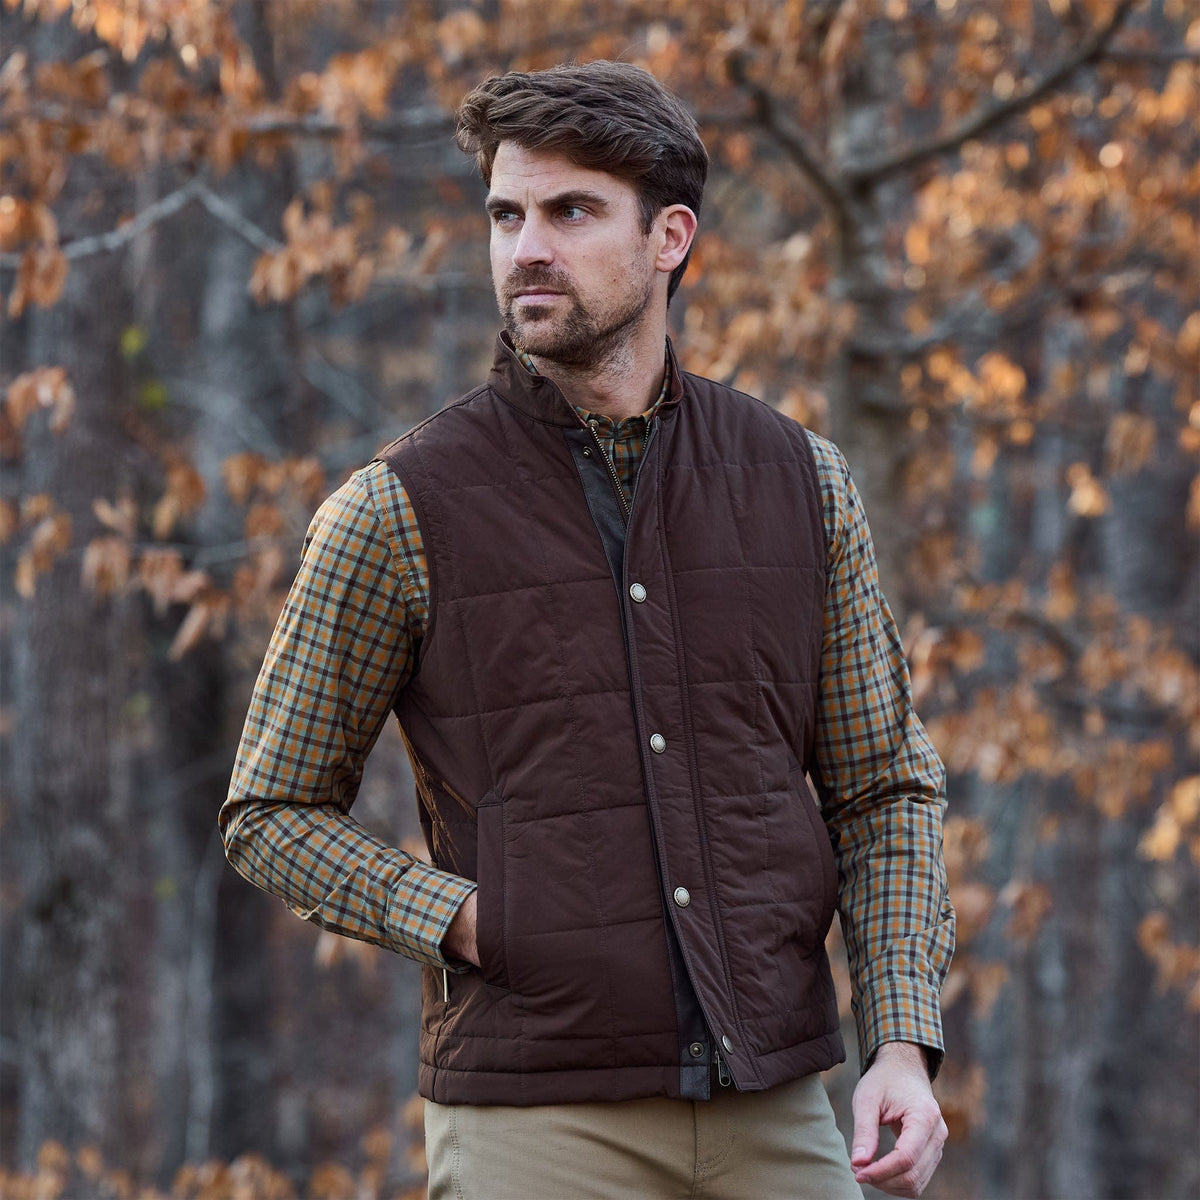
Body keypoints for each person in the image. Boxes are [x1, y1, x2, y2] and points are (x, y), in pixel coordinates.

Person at [220, 60, 954, 1200]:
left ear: (669, 237)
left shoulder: (802, 482)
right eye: (507, 215)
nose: (526, 251)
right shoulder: (397, 508)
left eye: (570, 213)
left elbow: (881, 790)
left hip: (780, 1104)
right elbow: (269, 813)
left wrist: (900, 1041)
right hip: (538, 1118)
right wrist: (468, 919)